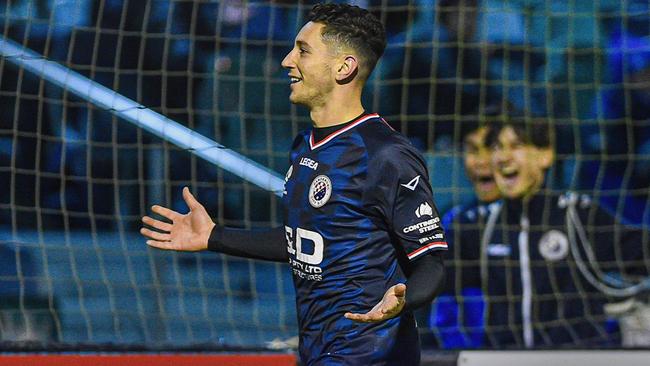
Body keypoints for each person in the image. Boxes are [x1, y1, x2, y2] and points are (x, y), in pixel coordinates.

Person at [140, 3, 447, 365]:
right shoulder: (305, 145)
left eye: (302, 50)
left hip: (369, 356)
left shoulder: (386, 154)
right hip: (318, 353)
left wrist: (405, 297)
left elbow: (432, 260)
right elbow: (306, 240)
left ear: (344, 67)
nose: (287, 61)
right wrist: (214, 236)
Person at [445, 116, 649, 348]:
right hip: (503, 360)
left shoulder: (578, 216)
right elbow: (435, 275)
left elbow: (641, 251)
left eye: (516, 145)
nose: (502, 157)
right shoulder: (478, 226)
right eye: (496, 148)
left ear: (545, 155)